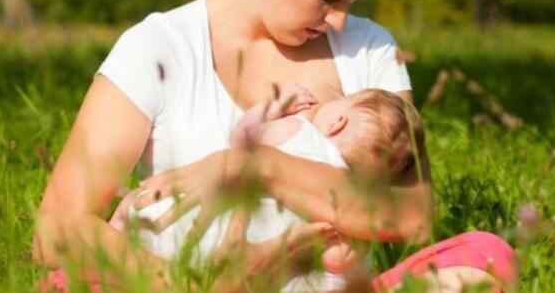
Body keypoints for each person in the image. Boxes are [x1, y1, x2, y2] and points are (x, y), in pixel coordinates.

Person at [33, 0, 516, 293]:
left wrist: (251, 168)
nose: (340, 21)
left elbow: (410, 215)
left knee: (485, 256)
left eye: (350, 2)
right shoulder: (159, 47)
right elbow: (57, 230)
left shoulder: (368, 49)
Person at [109, 84, 421, 291]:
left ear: (338, 121)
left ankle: (113, 233)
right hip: (234, 270)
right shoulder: (352, 206)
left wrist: (273, 108)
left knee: (136, 206)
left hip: (178, 232)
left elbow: (241, 141)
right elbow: (337, 263)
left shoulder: (299, 131)